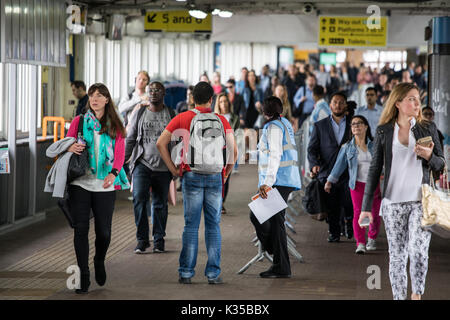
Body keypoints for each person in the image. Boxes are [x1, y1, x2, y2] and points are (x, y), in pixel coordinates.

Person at [359, 83, 445, 300]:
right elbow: (374, 170)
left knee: (417, 251)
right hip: (393, 202)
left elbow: (440, 165)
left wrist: (429, 156)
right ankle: (399, 297)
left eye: (418, 99)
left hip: (420, 201)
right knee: (397, 256)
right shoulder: (384, 131)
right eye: (411, 99)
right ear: (397, 103)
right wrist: (366, 207)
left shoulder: (428, 128)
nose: (417, 103)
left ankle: (416, 295)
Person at [156, 82, 237, 285]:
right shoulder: (221, 120)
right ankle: (213, 274)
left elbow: (160, 143)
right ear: (212, 99)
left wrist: (174, 170)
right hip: (215, 177)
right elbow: (233, 153)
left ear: (192, 98)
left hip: (190, 175)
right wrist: (225, 174)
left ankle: (186, 273)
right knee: (213, 226)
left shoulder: (183, 117)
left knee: (191, 226)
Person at [66, 83, 130, 294]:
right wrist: (70, 146)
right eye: (92, 95)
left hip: (104, 184)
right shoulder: (80, 121)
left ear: (106, 100)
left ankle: (99, 259)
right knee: (81, 229)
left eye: (99, 95)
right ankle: (83, 275)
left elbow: (120, 152)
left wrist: (113, 173)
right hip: (81, 182)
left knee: (104, 232)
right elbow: (66, 142)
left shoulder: (114, 124)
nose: (94, 99)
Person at [249, 96, 301, 278]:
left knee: (258, 215)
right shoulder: (284, 123)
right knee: (275, 221)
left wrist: (267, 184)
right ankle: (280, 262)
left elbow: (275, 156)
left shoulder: (272, 128)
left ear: (264, 112)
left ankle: (279, 260)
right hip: (285, 179)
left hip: (277, 180)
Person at [125, 81, 176, 254]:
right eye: (150, 90)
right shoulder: (140, 113)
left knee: (160, 204)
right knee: (139, 199)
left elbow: (177, 142)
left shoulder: (170, 113)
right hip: (142, 164)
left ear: (163, 94)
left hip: (163, 166)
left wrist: (175, 167)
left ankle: (159, 240)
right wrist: (123, 160)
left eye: (157, 90)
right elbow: (131, 138)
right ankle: (142, 240)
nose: (153, 93)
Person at [324, 115, 381, 254]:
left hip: (374, 184)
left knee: (375, 212)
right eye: (353, 124)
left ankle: (372, 238)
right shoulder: (347, 147)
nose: (356, 126)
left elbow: (383, 163)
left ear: (366, 126)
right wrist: (330, 181)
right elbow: (339, 166)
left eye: (359, 123)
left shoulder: (375, 145)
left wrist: (384, 172)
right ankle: (360, 243)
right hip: (357, 184)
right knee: (358, 212)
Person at [307, 91, 353, 242]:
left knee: (348, 202)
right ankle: (334, 232)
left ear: (345, 105)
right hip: (327, 171)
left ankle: (349, 224)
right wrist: (314, 165)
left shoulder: (354, 124)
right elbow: (312, 149)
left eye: (341, 102)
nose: (338, 105)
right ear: (330, 105)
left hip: (349, 171)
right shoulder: (320, 126)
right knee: (332, 204)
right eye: (335, 102)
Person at [214, 92, 240, 214]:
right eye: (221, 101)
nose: (223, 104)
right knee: (216, 176)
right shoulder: (214, 117)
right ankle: (215, 201)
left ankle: (222, 202)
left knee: (226, 177)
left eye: (225, 101)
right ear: (218, 104)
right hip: (215, 150)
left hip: (228, 150)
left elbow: (237, 135)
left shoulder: (234, 117)